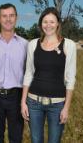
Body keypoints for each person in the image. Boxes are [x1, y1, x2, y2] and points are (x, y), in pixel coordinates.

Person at [21, 7, 77, 143]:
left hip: (57, 105)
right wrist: (23, 102)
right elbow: (28, 74)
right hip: (33, 103)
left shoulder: (68, 45)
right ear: (41, 24)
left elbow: (70, 79)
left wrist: (66, 108)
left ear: (58, 24)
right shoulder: (33, 44)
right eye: (45, 22)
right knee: (36, 140)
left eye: (52, 22)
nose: (48, 25)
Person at [0, 3, 28, 143]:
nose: (8, 19)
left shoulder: (25, 45)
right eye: (4, 16)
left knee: (16, 138)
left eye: (11, 16)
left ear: (16, 18)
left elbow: (29, 73)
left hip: (17, 95)